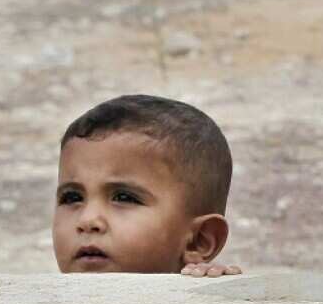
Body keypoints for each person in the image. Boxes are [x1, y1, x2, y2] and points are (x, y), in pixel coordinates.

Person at [52, 94, 243, 277]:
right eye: (72, 197)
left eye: (124, 197)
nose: (88, 221)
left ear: (199, 241)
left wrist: (213, 298)